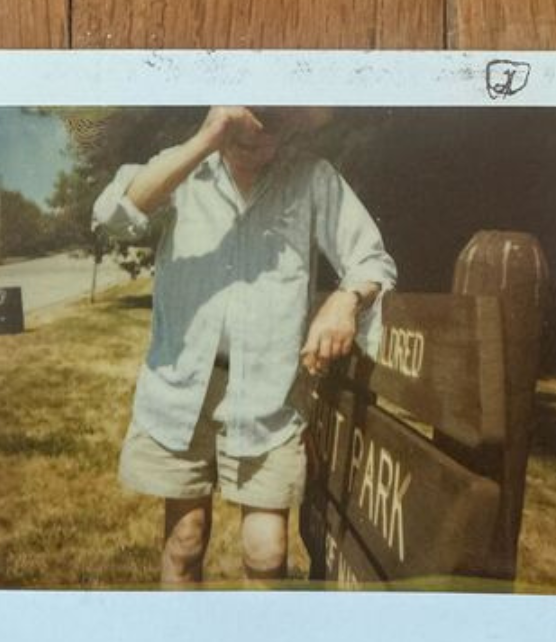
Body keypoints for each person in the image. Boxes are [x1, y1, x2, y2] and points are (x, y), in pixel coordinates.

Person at [91, 106, 397, 585]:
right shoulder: (183, 170)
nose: (251, 134)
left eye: (270, 121)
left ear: (293, 124)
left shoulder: (313, 179)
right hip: (183, 389)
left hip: (268, 395)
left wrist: (345, 299)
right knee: (185, 541)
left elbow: (372, 260)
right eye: (240, 118)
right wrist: (207, 139)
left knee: (267, 553)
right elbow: (114, 216)